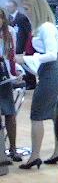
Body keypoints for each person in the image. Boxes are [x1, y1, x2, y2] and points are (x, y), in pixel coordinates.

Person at [15, 0, 58, 170]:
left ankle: (35, 155)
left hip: (50, 73)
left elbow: (52, 54)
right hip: (47, 73)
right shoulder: (42, 27)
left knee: (37, 114)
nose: (25, 12)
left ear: (35, 8)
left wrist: (26, 59)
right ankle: (56, 151)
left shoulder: (46, 28)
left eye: (27, 8)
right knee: (53, 114)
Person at [0, 8, 20, 164]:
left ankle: (13, 148)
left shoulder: (10, 32)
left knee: (10, 113)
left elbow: (11, 56)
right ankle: (1, 152)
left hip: (5, 77)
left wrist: (16, 72)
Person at [5, 0, 35, 90]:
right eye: (7, 7)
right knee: (18, 65)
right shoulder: (9, 18)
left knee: (26, 65)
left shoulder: (22, 18)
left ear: (15, 7)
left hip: (22, 45)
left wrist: (26, 48)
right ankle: (24, 81)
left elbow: (28, 33)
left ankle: (31, 82)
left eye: (9, 7)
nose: (8, 9)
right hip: (15, 45)